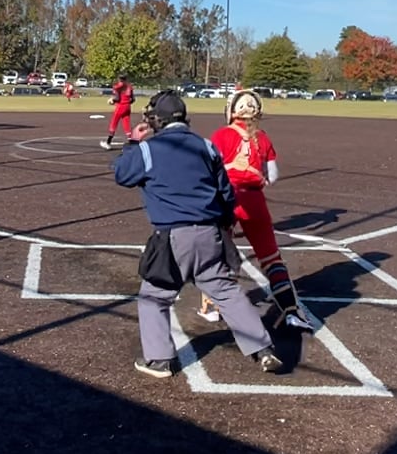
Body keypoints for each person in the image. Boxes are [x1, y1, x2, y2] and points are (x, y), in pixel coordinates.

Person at [113, 89, 282, 378]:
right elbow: (226, 193)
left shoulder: (149, 148)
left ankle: (159, 360)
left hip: (173, 237)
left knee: (155, 296)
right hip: (209, 233)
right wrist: (224, 228)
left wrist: (132, 143)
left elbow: (122, 174)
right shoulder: (206, 146)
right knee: (225, 290)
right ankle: (263, 348)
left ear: (158, 120)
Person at [196, 90, 316, 332]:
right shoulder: (262, 137)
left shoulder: (221, 135)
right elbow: (273, 175)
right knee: (270, 257)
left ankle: (212, 307)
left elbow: (208, 169)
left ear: (232, 111)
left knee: (218, 253)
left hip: (227, 198)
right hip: (255, 200)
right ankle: (291, 311)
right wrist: (259, 181)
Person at [100, 75, 135, 150]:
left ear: (119, 79)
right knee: (127, 124)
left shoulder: (117, 87)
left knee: (114, 123)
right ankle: (131, 143)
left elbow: (117, 98)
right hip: (128, 107)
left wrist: (112, 100)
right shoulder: (129, 86)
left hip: (120, 106)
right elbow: (133, 99)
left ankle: (108, 143)